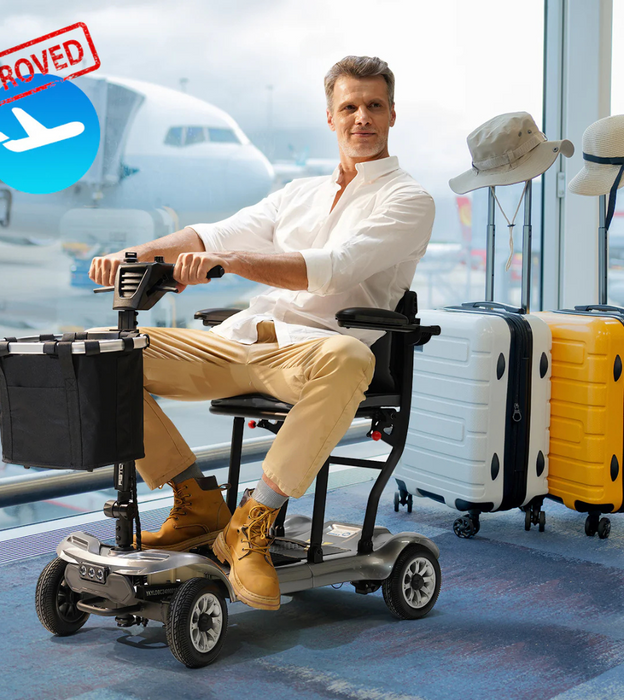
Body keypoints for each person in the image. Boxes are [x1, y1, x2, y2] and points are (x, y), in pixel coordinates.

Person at [89, 55, 435, 611]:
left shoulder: (408, 200)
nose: (362, 118)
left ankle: (250, 524)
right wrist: (132, 255)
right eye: (349, 107)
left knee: (349, 356)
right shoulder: (295, 193)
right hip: (241, 340)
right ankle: (196, 503)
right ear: (330, 117)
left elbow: (334, 266)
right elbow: (210, 232)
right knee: (102, 353)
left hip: (315, 352)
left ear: (393, 113)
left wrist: (224, 260)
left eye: (374, 106)